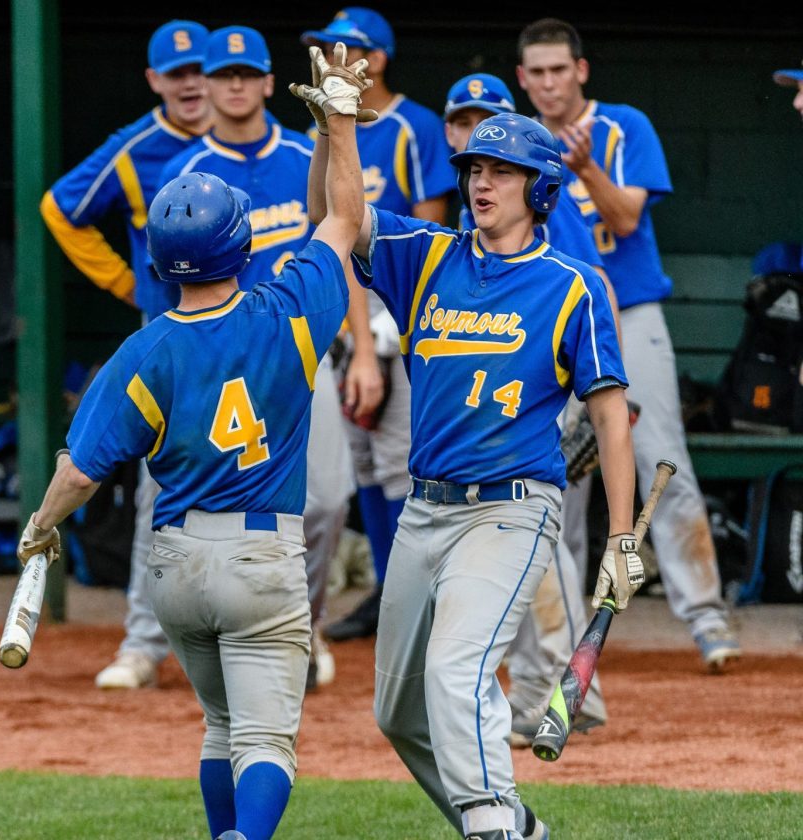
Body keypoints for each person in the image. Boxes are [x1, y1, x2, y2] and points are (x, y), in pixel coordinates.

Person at [15, 43, 370, 840]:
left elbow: (78, 471)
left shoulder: (144, 349)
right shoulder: (286, 312)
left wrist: (40, 529)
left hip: (173, 563)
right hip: (262, 561)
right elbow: (341, 219)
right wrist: (338, 126)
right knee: (266, 738)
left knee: (218, 727)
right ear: (242, 247)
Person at [309, 98, 637, 835]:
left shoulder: (573, 285)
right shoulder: (428, 257)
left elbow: (612, 420)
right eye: (474, 169)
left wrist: (621, 540)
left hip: (511, 510)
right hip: (424, 512)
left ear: (541, 186)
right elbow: (343, 216)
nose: (482, 183)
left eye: (503, 171)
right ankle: (509, 822)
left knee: (456, 671)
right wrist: (338, 128)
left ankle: (490, 824)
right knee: (398, 710)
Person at [517, 17, 741, 671]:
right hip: (550, 324)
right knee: (557, 482)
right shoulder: (520, 141)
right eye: (538, 71)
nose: (550, 82)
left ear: (581, 70)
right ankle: (564, 647)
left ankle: (706, 619)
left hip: (631, 315)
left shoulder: (622, 127)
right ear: (523, 78)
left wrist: (585, 168)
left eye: (561, 69)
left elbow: (625, 217)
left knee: (662, 464)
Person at [159, 25, 358, 691]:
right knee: (181, 503)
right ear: (206, 86)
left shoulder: (302, 151)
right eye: (224, 75)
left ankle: (305, 624)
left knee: (328, 501)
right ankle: (183, 635)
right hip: (214, 360)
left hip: (296, 349)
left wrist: (359, 346)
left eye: (248, 73)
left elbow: (337, 241)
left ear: (270, 83)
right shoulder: (183, 173)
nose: (237, 85)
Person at [40, 20, 215, 690]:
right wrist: (123, 280)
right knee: (158, 488)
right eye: (177, 75)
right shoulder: (136, 148)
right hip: (169, 332)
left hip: (250, 338)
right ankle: (143, 641)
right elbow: (59, 208)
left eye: (200, 70)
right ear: (154, 82)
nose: (192, 84)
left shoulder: (253, 146)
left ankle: (282, 632)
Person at [442, 71, 610, 746]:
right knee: (528, 552)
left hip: (556, 386)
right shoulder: (469, 215)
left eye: (483, 117)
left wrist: (608, 405)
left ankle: (573, 690)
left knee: (543, 544)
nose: (469, 130)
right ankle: (556, 691)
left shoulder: (536, 200)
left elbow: (591, 287)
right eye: (460, 122)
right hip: (491, 394)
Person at [300, 7, 458, 645]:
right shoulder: (325, 125)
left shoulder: (414, 126)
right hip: (348, 322)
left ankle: (409, 602)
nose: (330, 58)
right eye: (325, 48)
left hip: (396, 317)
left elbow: (429, 237)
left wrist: (378, 342)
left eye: (345, 50)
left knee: (398, 466)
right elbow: (328, 224)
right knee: (363, 468)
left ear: (378, 58)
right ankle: (384, 598)